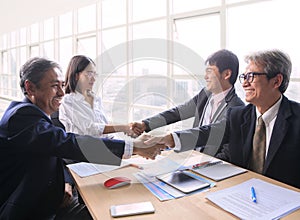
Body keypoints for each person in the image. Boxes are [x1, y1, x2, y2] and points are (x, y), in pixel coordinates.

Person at [0, 57, 162, 220]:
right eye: (55, 86)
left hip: (52, 201)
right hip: (29, 213)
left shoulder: (38, 118)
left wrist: (66, 181)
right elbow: (68, 143)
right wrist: (133, 147)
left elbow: (55, 152)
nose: (62, 92)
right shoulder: (21, 116)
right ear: (30, 87)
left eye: (62, 85)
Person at [146, 49, 300, 189]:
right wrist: (167, 139)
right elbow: (208, 132)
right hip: (240, 191)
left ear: (276, 81)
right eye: (244, 77)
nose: (245, 83)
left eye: (251, 76)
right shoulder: (238, 115)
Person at [131, 49, 244, 156]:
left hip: (211, 166)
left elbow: (225, 148)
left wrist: (201, 164)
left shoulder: (237, 108)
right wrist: (145, 124)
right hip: (192, 157)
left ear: (226, 74)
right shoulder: (205, 94)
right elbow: (179, 112)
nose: (205, 77)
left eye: (209, 71)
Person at [58, 55, 134, 138]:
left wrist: (125, 137)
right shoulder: (68, 101)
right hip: (85, 148)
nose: (94, 79)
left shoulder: (96, 99)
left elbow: (104, 128)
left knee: (143, 144)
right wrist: (122, 127)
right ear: (76, 76)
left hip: (107, 145)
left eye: (95, 74)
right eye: (89, 73)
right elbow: (90, 129)